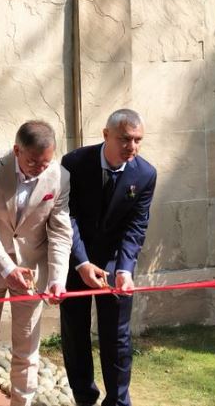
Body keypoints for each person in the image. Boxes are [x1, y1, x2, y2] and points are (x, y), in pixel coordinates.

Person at [0, 120, 73, 406]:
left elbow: (60, 232)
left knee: (27, 347)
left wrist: (57, 279)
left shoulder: (60, 176)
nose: (40, 169)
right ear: (16, 150)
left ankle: (22, 402)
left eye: (46, 162)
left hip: (32, 270)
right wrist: (7, 268)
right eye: (33, 162)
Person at [60, 109, 157, 406]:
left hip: (115, 262)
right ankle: (84, 398)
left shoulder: (145, 174)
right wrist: (81, 262)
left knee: (117, 335)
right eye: (125, 139)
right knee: (75, 333)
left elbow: (136, 227)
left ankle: (117, 401)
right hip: (75, 259)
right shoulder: (74, 163)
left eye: (138, 140)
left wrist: (125, 269)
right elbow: (67, 217)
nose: (132, 147)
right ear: (106, 135)